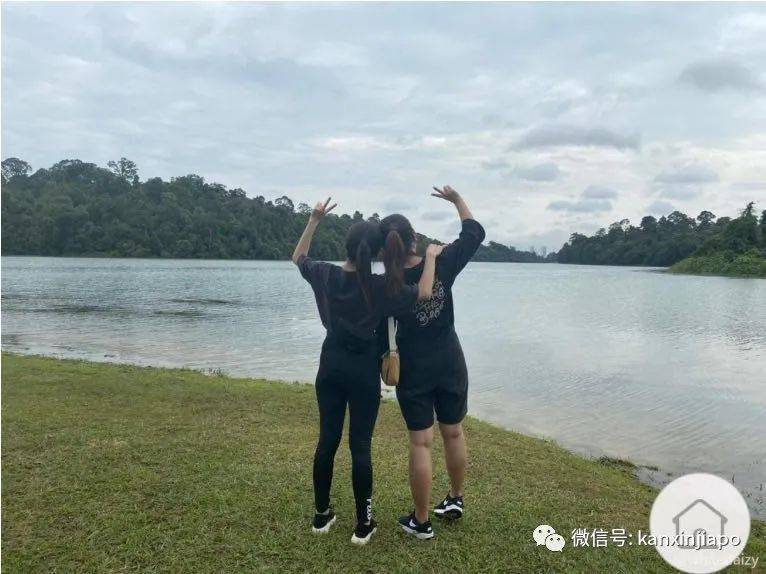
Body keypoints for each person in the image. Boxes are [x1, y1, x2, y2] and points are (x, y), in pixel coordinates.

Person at [292, 198, 444, 546]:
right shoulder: (382, 287)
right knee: (360, 444)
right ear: (377, 253)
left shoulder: (325, 274)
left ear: (345, 247)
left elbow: (298, 257)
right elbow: (423, 292)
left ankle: (321, 516)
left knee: (326, 440)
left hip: (329, 366)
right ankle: (364, 525)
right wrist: (431, 258)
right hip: (362, 372)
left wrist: (314, 220)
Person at [379, 186, 485, 540]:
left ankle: (421, 521)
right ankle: (455, 499)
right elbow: (474, 233)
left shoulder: (388, 284)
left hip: (414, 367)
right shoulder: (440, 261)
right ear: (414, 239)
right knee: (453, 431)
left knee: (421, 442)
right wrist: (456, 200)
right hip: (450, 360)